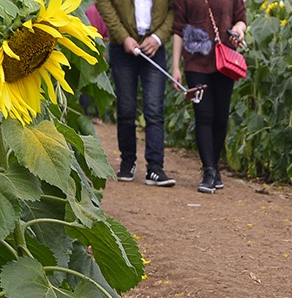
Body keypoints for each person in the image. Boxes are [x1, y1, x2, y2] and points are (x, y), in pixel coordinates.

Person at [173, 0, 248, 194]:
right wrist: (175, 67)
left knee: (221, 118)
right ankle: (208, 171)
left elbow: (240, 19)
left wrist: (238, 31)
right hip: (195, 62)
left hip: (224, 60)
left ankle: (214, 166)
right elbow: (178, 29)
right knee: (204, 115)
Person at [103, 0, 177, 186]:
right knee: (126, 108)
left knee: (154, 109)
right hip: (122, 47)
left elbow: (174, 9)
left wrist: (158, 38)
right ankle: (127, 162)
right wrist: (123, 37)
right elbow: (103, 3)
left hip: (154, 47)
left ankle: (155, 167)